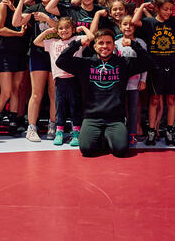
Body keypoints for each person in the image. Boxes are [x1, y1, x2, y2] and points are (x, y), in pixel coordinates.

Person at [56, 28, 154, 157]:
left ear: (114, 45)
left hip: (115, 119)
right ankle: (103, 137)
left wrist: (133, 44)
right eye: (101, 43)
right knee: (86, 150)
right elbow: (61, 61)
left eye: (108, 43)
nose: (105, 46)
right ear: (95, 45)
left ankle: (108, 136)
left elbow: (148, 62)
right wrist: (78, 43)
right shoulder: (86, 63)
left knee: (120, 150)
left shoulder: (123, 63)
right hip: (92, 118)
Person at [132, 0, 175, 146]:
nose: (168, 12)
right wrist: (142, 7)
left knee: (171, 99)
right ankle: (151, 131)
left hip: (174, 66)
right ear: (157, 8)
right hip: (155, 67)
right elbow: (134, 22)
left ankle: (169, 132)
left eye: (171, 9)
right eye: (165, 9)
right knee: (154, 99)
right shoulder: (150, 22)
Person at [33, 17, 94, 146]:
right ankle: (59, 132)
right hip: (59, 80)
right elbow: (35, 41)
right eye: (60, 28)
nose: (63, 30)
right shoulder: (53, 42)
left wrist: (82, 28)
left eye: (67, 28)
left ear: (72, 29)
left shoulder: (76, 40)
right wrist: (48, 32)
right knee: (60, 107)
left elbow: (91, 37)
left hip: (74, 79)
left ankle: (76, 132)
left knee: (75, 107)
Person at [12, 0, 57, 142]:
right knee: (36, 93)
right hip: (38, 54)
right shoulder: (34, 8)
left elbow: (65, 29)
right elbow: (16, 23)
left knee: (53, 93)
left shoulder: (61, 8)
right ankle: (31, 128)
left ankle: (54, 126)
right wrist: (22, 2)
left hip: (56, 54)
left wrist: (47, 18)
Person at [0, 0, 27, 136]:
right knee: (5, 91)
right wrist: (18, 33)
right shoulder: (2, 5)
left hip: (19, 52)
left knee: (15, 90)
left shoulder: (17, 5)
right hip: (4, 52)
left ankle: (13, 123)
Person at [114, 15, 147, 146]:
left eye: (131, 24)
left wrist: (143, 80)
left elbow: (145, 64)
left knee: (133, 109)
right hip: (119, 85)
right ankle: (120, 134)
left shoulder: (141, 43)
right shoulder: (115, 44)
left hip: (135, 83)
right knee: (119, 109)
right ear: (120, 26)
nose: (128, 27)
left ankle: (132, 134)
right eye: (125, 24)